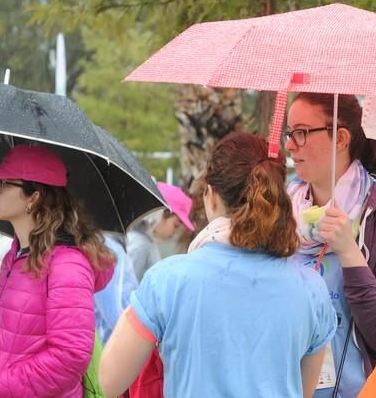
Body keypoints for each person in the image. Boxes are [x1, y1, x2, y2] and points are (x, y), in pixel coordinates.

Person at [99, 132, 337, 398]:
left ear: (211, 195)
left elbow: (109, 382)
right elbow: (303, 391)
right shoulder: (312, 289)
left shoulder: (166, 281)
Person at [285, 93, 376, 398]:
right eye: (289, 133)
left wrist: (349, 253)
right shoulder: (278, 215)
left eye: (302, 132)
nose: (290, 145)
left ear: (340, 138)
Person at [0, 144, 115, 397]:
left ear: (33, 197)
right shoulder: (14, 256)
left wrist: (1, 386)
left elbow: (70, 356)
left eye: (2, 183)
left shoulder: (67, 266)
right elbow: (19, 338)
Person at [126, 181, 196, 281]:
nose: (175, 232)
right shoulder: (141, 244)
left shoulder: (146, 241)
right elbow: (126, 285)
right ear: (162, 213)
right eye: (176, 226)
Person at [94, 233, 138, 344]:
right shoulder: (109, 247)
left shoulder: (102, 245)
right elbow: (114, 310)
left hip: (102, 338)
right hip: (109, 341)